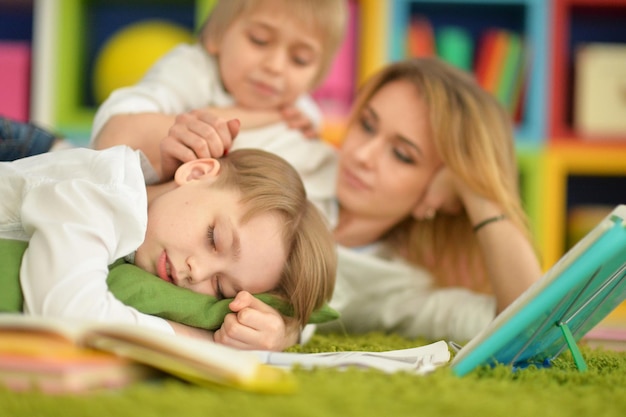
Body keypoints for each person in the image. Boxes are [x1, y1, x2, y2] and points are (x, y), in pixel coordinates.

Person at [156, 57, 543, 343]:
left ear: (443, 193)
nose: (362, 155)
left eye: (402, 155)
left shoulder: (397, 286)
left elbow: (528, 323)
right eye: (367, 125)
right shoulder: (288, 149)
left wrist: (478, 192)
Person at [0, 144, 336, 351]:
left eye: (220, 288)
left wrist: (282, 335)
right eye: (213, 239)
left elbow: (298, 313)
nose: (197, 272)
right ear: (197, 173)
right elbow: (66, 314)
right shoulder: (104, 192)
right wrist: (205, 343)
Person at [90, 0, 348, 182]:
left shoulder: (303, 113)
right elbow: (112, 136)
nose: (276, 67)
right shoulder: (190, 69)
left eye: (300, 59)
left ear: (317, 77)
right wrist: (259, 116)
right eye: (259, 40)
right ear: (217, 35)